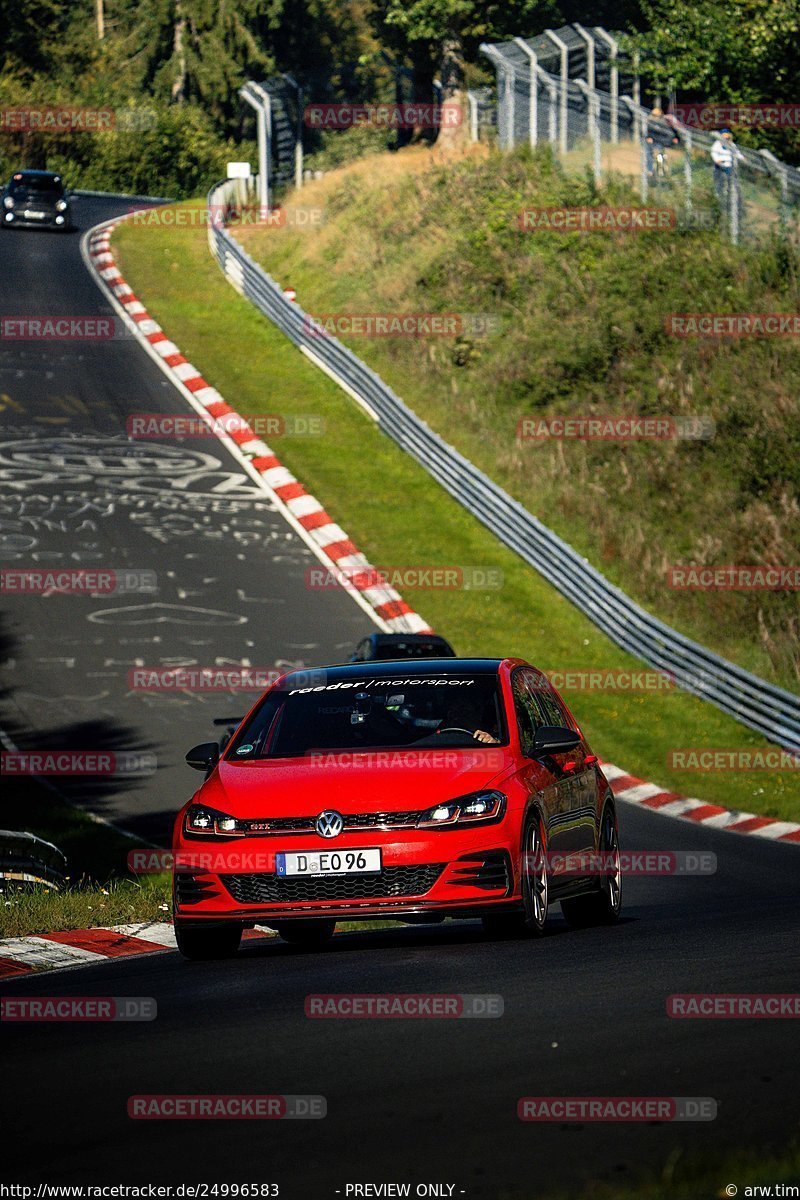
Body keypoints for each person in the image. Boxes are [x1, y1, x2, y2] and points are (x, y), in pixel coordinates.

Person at [645, 107, 679, 179]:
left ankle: (664, 169)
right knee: (649, 152)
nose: (656, 117)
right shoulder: (650, 121)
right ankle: (650, 170)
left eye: (657, 115)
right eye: (654, 115)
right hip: (654, 140)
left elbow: (672, 131)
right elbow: (648, 131)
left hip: (662, 141)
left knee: (661, 152)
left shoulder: (664, 122)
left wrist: (675, 138)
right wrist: (649, 137)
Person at [711, 128, 744, 201]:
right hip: (720, 164)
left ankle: (730, 195)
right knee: (719, 180)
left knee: (731, 181)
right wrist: (717, 160)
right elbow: (713, 152)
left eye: (726, 135)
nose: (725, 136)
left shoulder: (731, 144)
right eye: (724, 135)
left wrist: (742, 158)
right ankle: (717, 195)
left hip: (729, 166)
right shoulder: (718, 143)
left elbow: (737, 153)